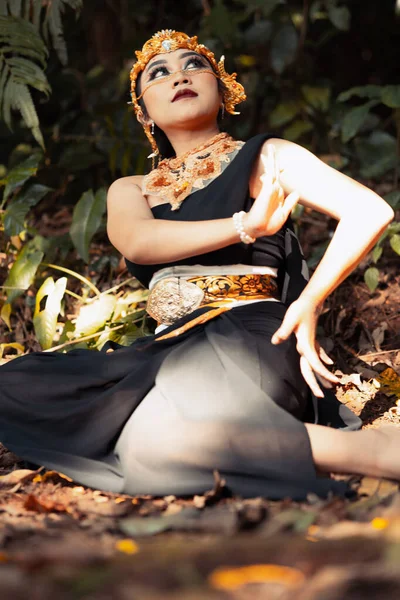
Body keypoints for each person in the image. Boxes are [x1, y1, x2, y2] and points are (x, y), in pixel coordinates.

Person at [0, 30, 397, 500]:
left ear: (222, 89)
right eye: (159, 73)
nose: (179, 75)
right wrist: (244, 226)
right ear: (144, 112)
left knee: (159, 441)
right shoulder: (132, 188)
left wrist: (309, 302)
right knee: (16, 385)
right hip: (165, 347)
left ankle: (378, 454)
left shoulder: (265, 156)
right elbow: (140, 242)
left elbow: (371, 210)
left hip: (249, 334)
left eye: (194, 65)